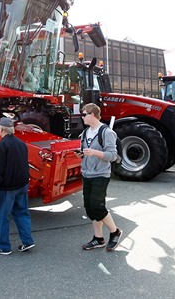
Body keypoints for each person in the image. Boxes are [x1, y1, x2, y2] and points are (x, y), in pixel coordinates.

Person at [79, 103, 123, 251]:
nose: (82, 117)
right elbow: (84, 151)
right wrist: (81, 154)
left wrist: (94, 153)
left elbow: (112, 155)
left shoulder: (106, 132)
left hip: (100, 174)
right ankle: (98, 238)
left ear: (93, 115)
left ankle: (115, 231)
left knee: (97, 206)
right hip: (87, 173)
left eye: (84, 114)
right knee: (89, 208)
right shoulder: (85, 133)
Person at [0, 117, 35, 255]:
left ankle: (4, 247)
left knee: (2, 217)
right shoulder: (21, 144)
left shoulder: (1, 145)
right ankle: (27, 241)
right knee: (22, 213)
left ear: (1, 129)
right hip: (21, 185)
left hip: (7, 188)